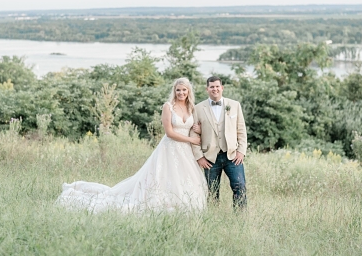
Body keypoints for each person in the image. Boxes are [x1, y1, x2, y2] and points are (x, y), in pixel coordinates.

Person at [56, 78, 207, 213]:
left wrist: (198, 131)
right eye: (178, 90)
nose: (181, 93)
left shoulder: (191, 108)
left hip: (185, 152)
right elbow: (169, 132)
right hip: (170, 148)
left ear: (189, 91)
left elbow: (195, 128)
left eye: (184, 90)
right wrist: (191, 141)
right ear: (174, 91)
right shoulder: (168, 106)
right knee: (163, 176)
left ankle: (183, 202)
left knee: (183, 177)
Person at [190, 76, 248, 209]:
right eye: (212, 87)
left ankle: (240, 219)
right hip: (210, 158)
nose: (215, 89)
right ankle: (213, 219)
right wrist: (199, 157)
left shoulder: (234, 105)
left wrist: (241, 151)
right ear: (207, 89)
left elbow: (241, 130)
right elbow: (193, 134)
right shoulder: (198, 108)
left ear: (222, 88)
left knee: (240, 186)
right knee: (212, 191)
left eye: (217, 86)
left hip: (232, 155)